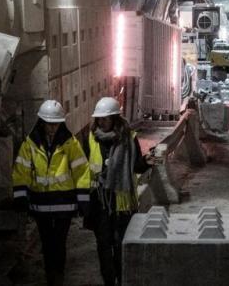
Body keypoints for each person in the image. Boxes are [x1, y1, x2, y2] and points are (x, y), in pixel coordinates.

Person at [12, 100, 90, 286]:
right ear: (42, 122)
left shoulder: (70, 143)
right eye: (49, 123)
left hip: (64, 203)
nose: (53, 128)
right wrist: (21, 196)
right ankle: (51, 278)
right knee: (47, 245)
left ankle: (58, 278)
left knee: (59, 244)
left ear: (61, 123)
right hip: (41, 204)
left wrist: (83, 200)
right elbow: (21, 171)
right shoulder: (30, 144)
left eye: (56, 124)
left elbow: (81, 171)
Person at [84, 97, 155, 286]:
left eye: (106, 119)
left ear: (115, 118)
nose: (102, 122)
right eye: (99, 119)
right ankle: (109, 281)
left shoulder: (129, 137)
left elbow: (137, 167)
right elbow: (84, 168)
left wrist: (148, 162)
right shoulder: (91, 137)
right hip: (101, 202)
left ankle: (123, 279)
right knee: (103, 245)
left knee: (122, 245)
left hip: (123, 202)